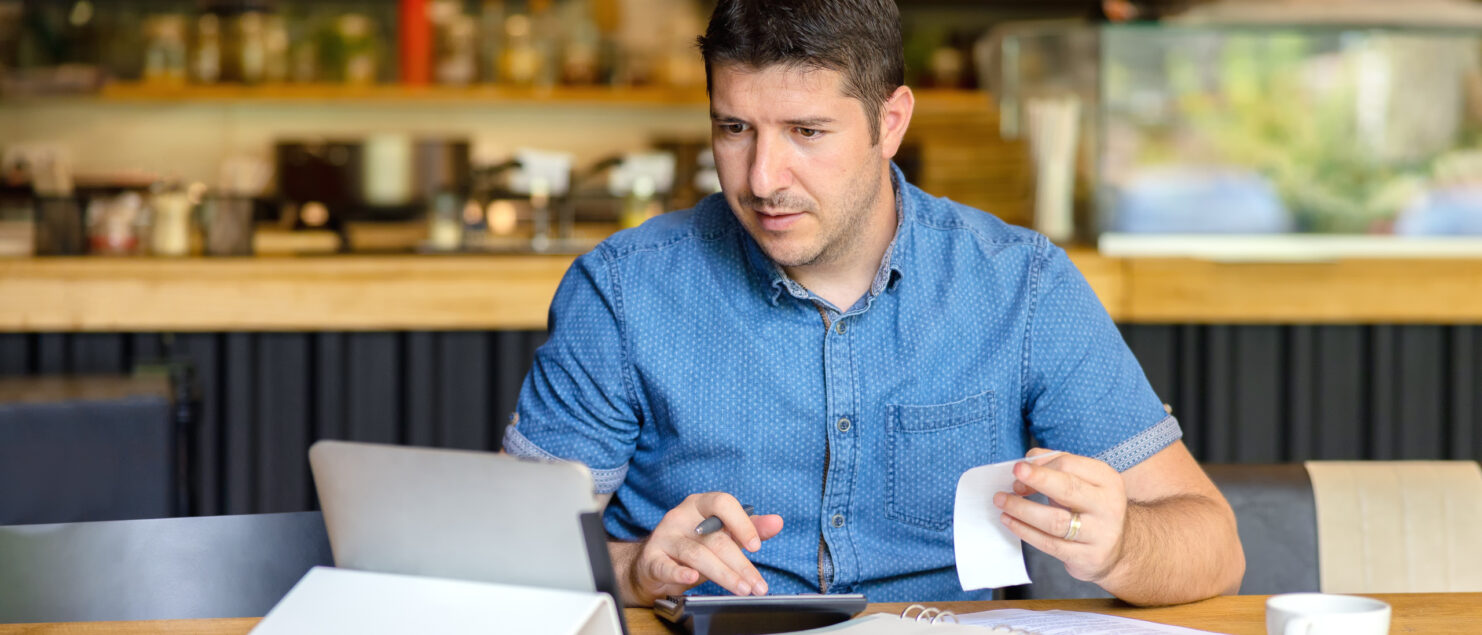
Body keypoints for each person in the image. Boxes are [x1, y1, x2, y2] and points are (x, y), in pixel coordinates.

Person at [504, 0, 1244, 607]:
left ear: (891, 123)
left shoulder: (1021, 287)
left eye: (807, 132)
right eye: (735, 129)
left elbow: (1214, 548)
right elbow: (506, 557)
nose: (763, 178)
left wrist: (1119, 545)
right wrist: (635, 570)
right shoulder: (625, 291)